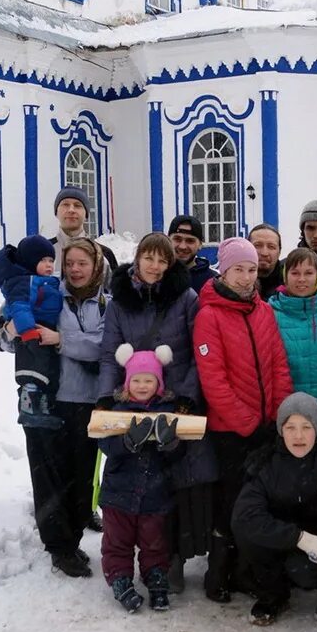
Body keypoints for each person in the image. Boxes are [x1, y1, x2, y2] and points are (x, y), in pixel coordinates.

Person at [0, 237, 108, 578]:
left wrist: (62, 340)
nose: (75, 270)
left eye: (83, 263)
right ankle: (59, 547)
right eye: (70, 263)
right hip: (44, 401)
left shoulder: (107, 304)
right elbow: (20, 326)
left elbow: (105, 347)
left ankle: (72, 537)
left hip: (87, 402)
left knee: (81, 478)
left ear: (96, 267)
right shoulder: (48, 293)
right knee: (49, 478)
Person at [97, 232, 211, 594]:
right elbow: (108, 351)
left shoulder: (185, 297)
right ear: (138, 258)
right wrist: (106, 397)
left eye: (163, 261)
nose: (155, 266)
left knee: (170, 477)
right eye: (149, 258)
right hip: (131, 396)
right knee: (129, 468)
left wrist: (187, 398)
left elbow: (196, 351)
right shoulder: (119, 301)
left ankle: (167, 557)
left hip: (172, 395)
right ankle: (122, 558)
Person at [193, 237, 294, 603]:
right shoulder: (210, 315)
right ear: (224, 269)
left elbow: (279, 365)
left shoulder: (263, 311)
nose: (246, 277)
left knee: (257, 503)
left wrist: (278, 415)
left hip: (266, 426)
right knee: (230, 502)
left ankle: (248, 571)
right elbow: (214, 381)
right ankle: (219, 573)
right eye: (239, 269)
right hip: (230, 431)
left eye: (252, 270)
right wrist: (247, 422)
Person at [98, 344, 184, 613]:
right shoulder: (116, 410)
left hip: (155, 494)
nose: (143, 385)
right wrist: (127, 443)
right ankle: (120, 578)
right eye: (136, 380)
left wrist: (170, 444)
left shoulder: (169, 411)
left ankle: (156, 576)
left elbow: (177, 456)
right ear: (127, 382)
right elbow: (105, 446)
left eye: (149, 380)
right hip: (119, 493)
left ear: (159, 383)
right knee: (117, 541)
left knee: (154, 541)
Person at [0, 235, 64, 429]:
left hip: (44, 330)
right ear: (31, 262)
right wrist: (27, 331)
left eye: (51, 261)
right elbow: (19, 308)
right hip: (32, 331)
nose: (49, 265)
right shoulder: (24, 283)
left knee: (47, 371)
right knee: (35, 370)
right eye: (43, 260)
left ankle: (42, 406)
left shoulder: (44, 281)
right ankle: (29, 405)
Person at [268, 248, 317, 405]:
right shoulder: (270, 313)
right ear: (285, 276)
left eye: (308, 273)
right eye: (295, 273)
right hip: (286, 410)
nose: (302, 279)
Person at [50, 186, 118, 277]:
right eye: (65, 204)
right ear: (56, 212)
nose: (71, 210)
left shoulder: (103, 254)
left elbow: (115, 289)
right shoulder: (42, 251)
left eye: (77, 205)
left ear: (86, 214)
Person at [168, 214, 218, 294]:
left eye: (190, 241)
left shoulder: (213, 282)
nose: (182, 246)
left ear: (200, 245)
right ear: (168, 240)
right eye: (177, 239)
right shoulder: (157, 274)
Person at [249, 223, 284, 299]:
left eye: (271, 247)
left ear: (279, 251)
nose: (264, 253)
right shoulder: (234, 281)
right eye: (258, 245)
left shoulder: (289, 282)